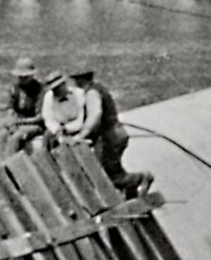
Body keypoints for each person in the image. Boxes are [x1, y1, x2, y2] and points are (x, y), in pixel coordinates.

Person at [71, 70, 154, 199]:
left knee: (105, 176)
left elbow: (95, 115)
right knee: (113, 171)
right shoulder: (97, 88)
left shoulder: (92, 93)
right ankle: (132, 195)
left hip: (109, 138)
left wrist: (82, 135)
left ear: (79, 79)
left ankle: (141, 178)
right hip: (115, 134)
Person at [1, 57, 45, 154]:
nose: (22, 80)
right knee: (2, 135)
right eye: (20, 77)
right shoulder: (14, 88)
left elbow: (40, 117)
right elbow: (10, 107)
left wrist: (20, 122)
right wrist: (11, 120)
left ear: (32, 75)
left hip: (34, 124)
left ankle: (11, 164)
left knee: (16, 137)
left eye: (25, 77)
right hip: (18, 123)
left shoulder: (40, 90)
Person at [40, 72, 87, 144]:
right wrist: (57, 130)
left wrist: (67, 128)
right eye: (54, 89)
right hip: (58, 131)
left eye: (58, 87)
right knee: (47, 138)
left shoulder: (78, 94)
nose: (56, 91)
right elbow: (48, 119)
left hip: (77, 129)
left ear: (64, 84)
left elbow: (81, 118)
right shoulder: (48, 97)